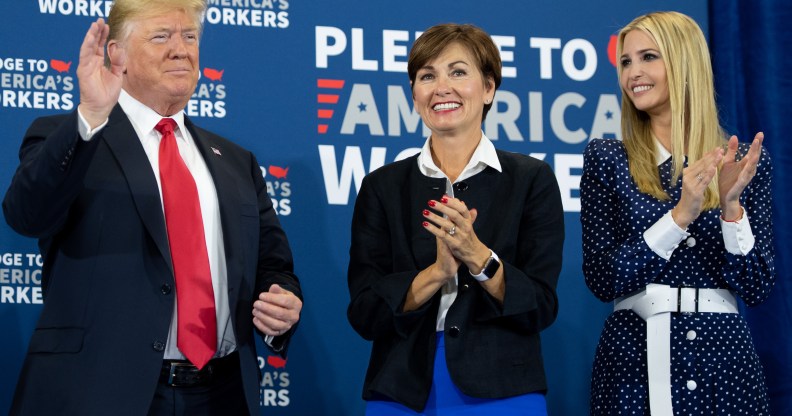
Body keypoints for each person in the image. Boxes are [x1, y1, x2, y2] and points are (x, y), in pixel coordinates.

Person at [3, 1, 303, 415]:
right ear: (117, 55)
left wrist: (282, 302)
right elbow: (27, 215)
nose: (181, 49)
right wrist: (91, 114)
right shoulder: (72, 136)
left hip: (223, 395)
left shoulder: (236, 162)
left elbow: (274, 266)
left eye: (190, 37)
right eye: (161, 36)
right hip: (99, 393)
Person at [347, 23, 565, 415]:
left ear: (488, 89)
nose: (441, 87)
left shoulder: (531, 180)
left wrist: (479, 257)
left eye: (458, 72)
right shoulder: (382, 187)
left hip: (503, 389)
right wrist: (435, 273)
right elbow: (365, 313)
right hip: (402, 390)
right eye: (427, 76)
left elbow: (540, 306)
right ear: (414, 95)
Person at [581, 11, 774, 416]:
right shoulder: (607, 159)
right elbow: (603, 278)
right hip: (632, 362)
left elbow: (757, 287)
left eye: (648, 56)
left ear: (684, 63)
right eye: (627, 61)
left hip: (725, 365)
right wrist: (679, 216)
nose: (633, 72)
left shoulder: (742, 164)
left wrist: (731, 208)